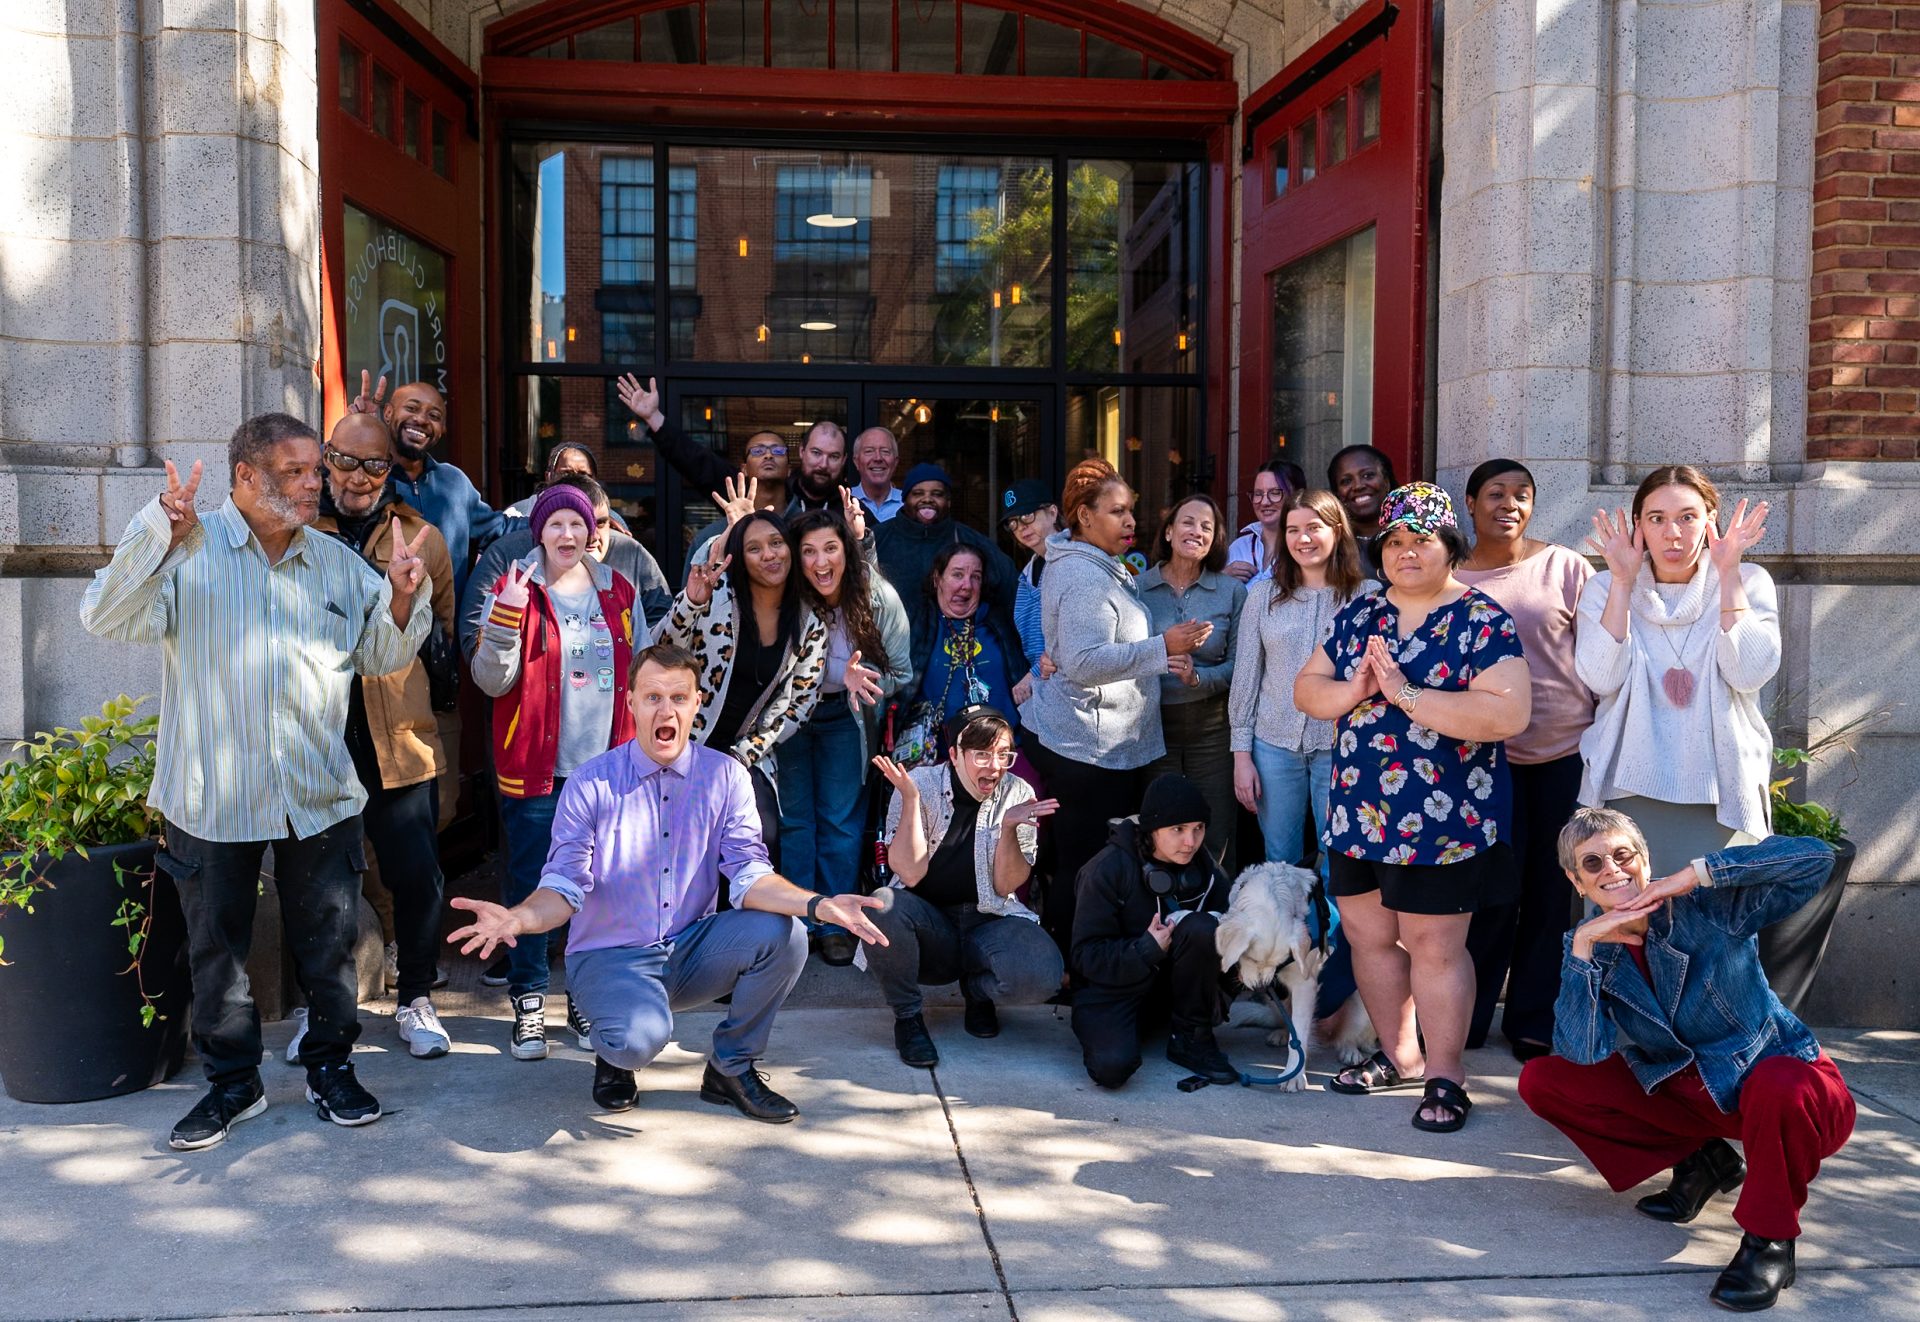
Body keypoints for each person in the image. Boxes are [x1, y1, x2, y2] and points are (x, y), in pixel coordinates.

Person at [80, 413, 434, 1150]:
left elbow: (379, 655)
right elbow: (104, 617)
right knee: (217, 952)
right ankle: (233, 1086)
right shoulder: (188, 554)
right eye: (298, 472)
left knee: (330, 949)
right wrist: (156, 534)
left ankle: (330, 1067)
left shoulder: (337, 564)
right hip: (211, 798)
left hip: (317, 794)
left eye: (317, 471)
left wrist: (402, 596)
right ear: (246, 476)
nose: (318, 484)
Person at [446, 643, 891, 1121]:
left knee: (787, 935)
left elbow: (749, 876)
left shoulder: (726, 776)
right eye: (652, 696)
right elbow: (564, 885)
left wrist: (819, 905)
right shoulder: (591, 784)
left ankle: (730, 1067)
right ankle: (614, 1051)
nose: (666, 709)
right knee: (638, 1041)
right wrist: (518, 916)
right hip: (609, 956)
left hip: (688, 949)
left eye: (678, 697)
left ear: (697, 703)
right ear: (630, 703)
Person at [1519, 808, 1855, 1313]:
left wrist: (1694, 874)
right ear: (1576, 881)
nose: (1611, 868)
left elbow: (1816, 859)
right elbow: (1582, 1051)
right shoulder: (1590, 948)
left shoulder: (1707, 908)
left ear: (1644, 860)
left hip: (1793, 1095)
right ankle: (1702, 1163)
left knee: (1781, 1082)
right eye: (1593, 863)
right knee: (1543, 1079)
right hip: (1700, 1097)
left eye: (1623, 854)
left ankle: (1770, 1244)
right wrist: (1583, 951)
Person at [1295, 482, 1531, 1133]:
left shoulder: (1481, 619)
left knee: (1434, 948)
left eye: (1420, 540)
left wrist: (1405, 694)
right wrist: (1354, 691)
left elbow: (1508, 712)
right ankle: (1398, 1056)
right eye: (1394, 541)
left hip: (1443, 825)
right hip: (1356, 817)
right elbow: (1307, 690)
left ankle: (1446, 1074)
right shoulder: (1362, 615)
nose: (1405, 552)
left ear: (1449, 546)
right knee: (1370, 939)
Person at [471, 483, 639, 1062]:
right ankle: (530, 1003)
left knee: (596, 891)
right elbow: (491, 682)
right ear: (538, 531)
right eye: (556, 524)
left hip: (607, 774)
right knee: (532, 886)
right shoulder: (513, 586)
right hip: (538, 772)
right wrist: (503, 623)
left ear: (593, 531)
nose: (568, 535)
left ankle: (584, 998)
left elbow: (641, 672)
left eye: (578, 524)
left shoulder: (618, 590)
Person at [1020, 458, 1210, 959]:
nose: (1130, 522)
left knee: (1086, 861)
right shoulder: (1083, 575)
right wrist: (1161, 646)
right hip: (1086, 747)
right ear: (1083, 516)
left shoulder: (1095, 562)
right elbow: (1082, 662)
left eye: (1132, 512)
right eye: (1117, 512)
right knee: (1085, 865)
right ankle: (1072, 967)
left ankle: (1082, 963)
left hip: (1101, 741)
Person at [312, 413, 457, 1060]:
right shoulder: (293, 529)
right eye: (346, 461)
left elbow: (445, 631)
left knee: (416, 874)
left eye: (375, 466)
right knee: (322, 881)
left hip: (399, 731)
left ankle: (418, 997)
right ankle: (328, 1013)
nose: (359, 477)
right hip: (317, 733)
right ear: (324, 458)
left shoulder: (422, 537)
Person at [1455, 458, 1597, 1061]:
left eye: (1522, 495)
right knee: (1489, 893)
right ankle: (1465, 1014)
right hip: (1483, 760)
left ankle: (1534, 1019)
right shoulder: (1452, 578)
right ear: (1470, 503)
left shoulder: (1566, 567)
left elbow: (1602, 656)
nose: (1508, 504)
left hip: (1564, 752)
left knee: (1550, 892)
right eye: (1495, 493)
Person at [1577, 466, 1778, 872]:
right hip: (1625, 787)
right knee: (1628, 923)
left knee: (1718, 926)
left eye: (1687, 517)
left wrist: (1729, 573)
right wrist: (1621, 581)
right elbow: (1600, 678)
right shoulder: (1604, 586)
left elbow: (1749, 673)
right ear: (1639, 526)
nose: (1673, 532)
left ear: (1710, 520)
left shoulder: (1748, 580)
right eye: (1657, 519)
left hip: (1722, 788)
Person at [1228, 488, 1375, 1020]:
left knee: (1341, 872)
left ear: (1337, 532)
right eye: (1293, 530)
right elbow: (1246, 681)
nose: (1303, 538)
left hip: (1344, 751)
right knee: (1281, 869)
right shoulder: (1264, 596)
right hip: (1274, 746)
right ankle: (1281, 995)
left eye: (1314, 527)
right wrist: (1241, 754)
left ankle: (1334, 990)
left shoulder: (1368, 596)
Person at [864, 706, 1064, 1067]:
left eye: (1003, 754)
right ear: (955, 755)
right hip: (931, 927)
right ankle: (908, 1018)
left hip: (989, 921)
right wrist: (910, 801)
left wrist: (1007, 829)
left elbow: (1006, 885)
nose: (995, 765)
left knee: (1043, 974)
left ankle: (977, 992)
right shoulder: (920, 784)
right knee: (881, 906)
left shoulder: (1018, 791)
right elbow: (908, 875)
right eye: (983, 754)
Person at [661, 507, 830, 866]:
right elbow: (659, 654)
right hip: (682, 745)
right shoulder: (715, 594)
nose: (769, 554)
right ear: (740, 558)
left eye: (776, 543)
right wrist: (690, 603)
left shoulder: (809, 621)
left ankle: (743, 921)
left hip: (746, 756)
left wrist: (743, 755)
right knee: (680, 843)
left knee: (759, 840)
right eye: (754, 549)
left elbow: (799, 706)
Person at [783, 504, 912, 966]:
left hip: (847, 717)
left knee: (840, 820)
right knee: (796, 820)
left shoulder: (876, 596)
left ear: (849, 552)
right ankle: (799, 922)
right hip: (792, 716)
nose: (821, 562)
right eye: (810, 551)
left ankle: (837, 920)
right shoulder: (784, 595)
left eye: (831, 548)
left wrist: (867, 677)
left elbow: (902, 671)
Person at [1071, 774, 1238, 1089]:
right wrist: (1145, 949)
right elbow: (1083, 956)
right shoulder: (1107, 869)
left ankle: (1191, 1037)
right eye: (1178, 830)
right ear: (1151, 829)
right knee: (1111, 1069)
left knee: (1205, 927)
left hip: (1173, 992)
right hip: (1113, 991)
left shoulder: (1206, 870)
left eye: (1198, 829)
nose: (1190, 841)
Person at [1140, 494, 1244, 871]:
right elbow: (1119, 655)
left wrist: (1198, 677)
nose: (1196, 531)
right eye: (1188, 522)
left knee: (1215, 828)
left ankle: (1218, 917)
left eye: (1207, 526)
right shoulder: (1137, 589)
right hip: (1153, 726)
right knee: (1160, 827)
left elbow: (1241, 668)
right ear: (1168, 532)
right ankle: (1163, 912)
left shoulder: (1232, 592)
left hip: (1213, 728)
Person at [462, 473, 673, 658]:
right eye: (562, 524)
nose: (591, 535)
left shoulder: (630, 560)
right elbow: (475, 642)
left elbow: (660, 633)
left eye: (600, 523)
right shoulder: (506, 557)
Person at [347, 371, 504, 600]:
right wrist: (354, 438)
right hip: (379, 627)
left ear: (442, 430)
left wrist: (564, 511)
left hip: (444, 628)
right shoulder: (362, 476)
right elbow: (318, 489)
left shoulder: (454, 482)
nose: (421, 419)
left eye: (434, 415)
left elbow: (500, 529)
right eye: (411, 408)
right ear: (388, 413)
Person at [616, 374, 845, 521]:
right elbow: (696, 461)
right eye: (758, 451)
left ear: (789, 466)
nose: (767, 455)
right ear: (743, 468)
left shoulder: (845, 508)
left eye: (777, 451)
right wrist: (654, 417)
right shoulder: (735, 492)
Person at [874, 462, 1020, 621]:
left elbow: (1011, 590)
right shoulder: (878, 538)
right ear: (905, 499)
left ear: (948, 502)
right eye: (918, 493)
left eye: (937, 494)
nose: (927, 499)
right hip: (891, 642)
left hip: (953, 643)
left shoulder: (971, 541)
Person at [913, 543, 1030, 734]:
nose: (967, 586)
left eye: (975, 577)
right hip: (936, 752)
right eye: (957, 575)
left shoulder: (1004, 623)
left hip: (1003, 751)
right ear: (937, 579)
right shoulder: (917, 624)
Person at [503, 443, 634, 534]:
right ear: (549, 476)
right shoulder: (517, 512)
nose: (575, 480)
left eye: (584, 475)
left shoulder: (611, 520)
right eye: (566, 473)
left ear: (595, 480)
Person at [999, 479, 1058, 672]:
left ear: (1052, 513)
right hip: (1045, 686)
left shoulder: (1074, 561)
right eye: (1013, 522)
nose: (1021, 527)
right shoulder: (1027, 573)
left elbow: (1072, 639)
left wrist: (1032, 676)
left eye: (1027, 515)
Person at [1224, 459, 1304, 585]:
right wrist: (1222, 579)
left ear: (1297, 495)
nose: (1264, 502)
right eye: (1258, 494)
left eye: (1275, 493)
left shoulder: (1305, 546)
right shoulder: (1239, 547)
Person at [1327, 444, 1398, 541]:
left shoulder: (1414, 535)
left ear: (1386, 481)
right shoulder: (1331, 544)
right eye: (1347, 481)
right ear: (1337, 493)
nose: (1358, 486)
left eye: (1368, 475)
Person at [852, 425, 904, 523]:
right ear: (856, 461)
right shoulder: (845, 504)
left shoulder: (907, 504)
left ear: (895, 462)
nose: (878, 458)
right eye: (869, 451)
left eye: (885, 451)